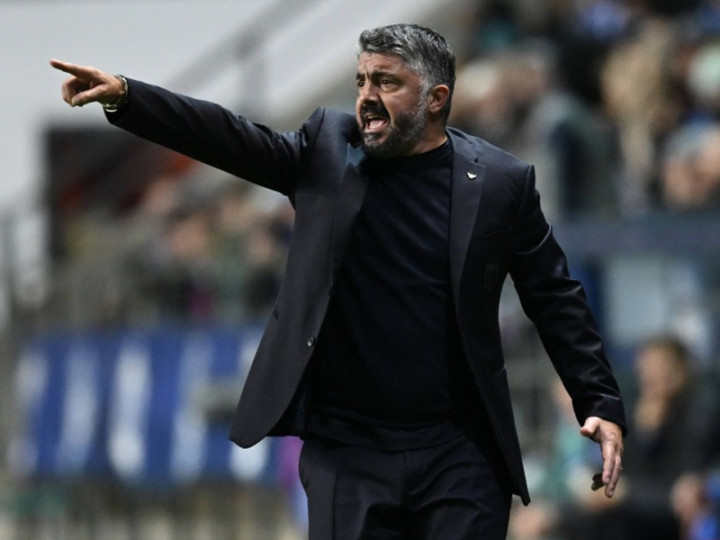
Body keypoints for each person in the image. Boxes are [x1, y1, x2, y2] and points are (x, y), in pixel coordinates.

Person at [51, 23, 626, 540]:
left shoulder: (501, 182)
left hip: (459, 450)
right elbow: (229, 137)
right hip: (349, 452)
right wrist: (129, 97)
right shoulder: (328, 149)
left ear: (435, 99)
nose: (366, 96)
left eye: (386, 82)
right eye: (360, 80)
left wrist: (597, 399)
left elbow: (554, 295)